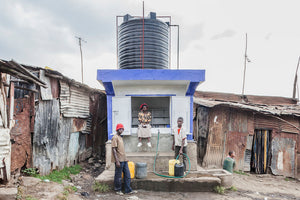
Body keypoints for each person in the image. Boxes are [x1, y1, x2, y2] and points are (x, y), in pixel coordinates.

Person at [112, 123, 137, 195]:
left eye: (122, 129)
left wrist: (125, 158)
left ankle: (128, 190)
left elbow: (121, 150)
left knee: (127, 175)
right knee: (118, 176)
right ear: (117, 129)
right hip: (119, 160)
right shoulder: (115, 137)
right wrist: (117, 161)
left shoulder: (120, 137)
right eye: (120, 129)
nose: (121, 130)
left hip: (124, 160)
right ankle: (118, 190)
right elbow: (114, 149)